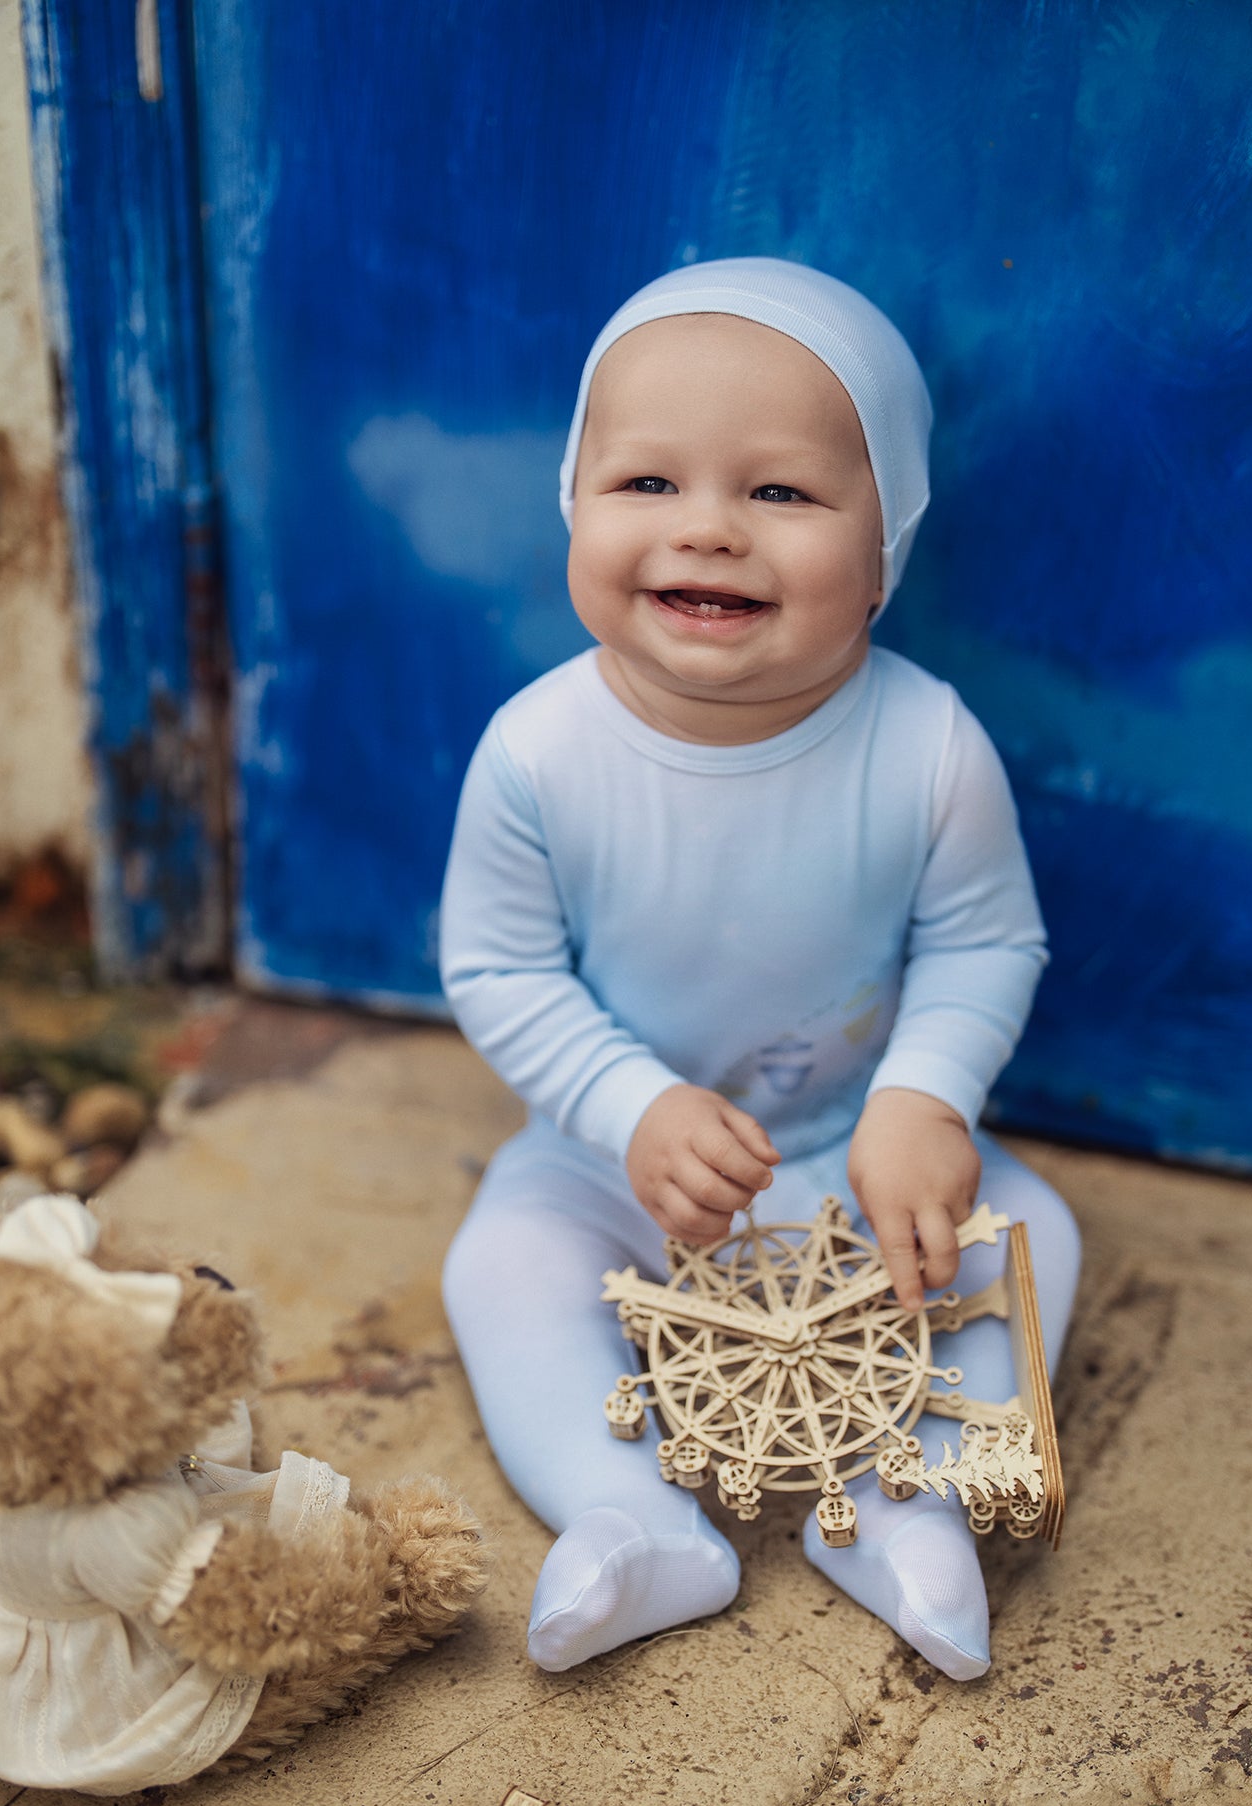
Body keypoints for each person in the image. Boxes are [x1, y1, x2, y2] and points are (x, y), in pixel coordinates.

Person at [439, 258, 1080, 1681]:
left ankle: (904, 1507)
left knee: (1032, 1241)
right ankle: (628, 1517)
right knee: (502, 1264)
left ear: (882, 552)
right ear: (573, 501)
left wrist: (923, 1099)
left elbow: (985, 940)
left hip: (856, 1158)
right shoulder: (539, 752)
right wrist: (625, 1107)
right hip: (613, 1165)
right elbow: (496, 968)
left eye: (779, 493)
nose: (710, 530)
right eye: (646, 484)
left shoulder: (926, 747)